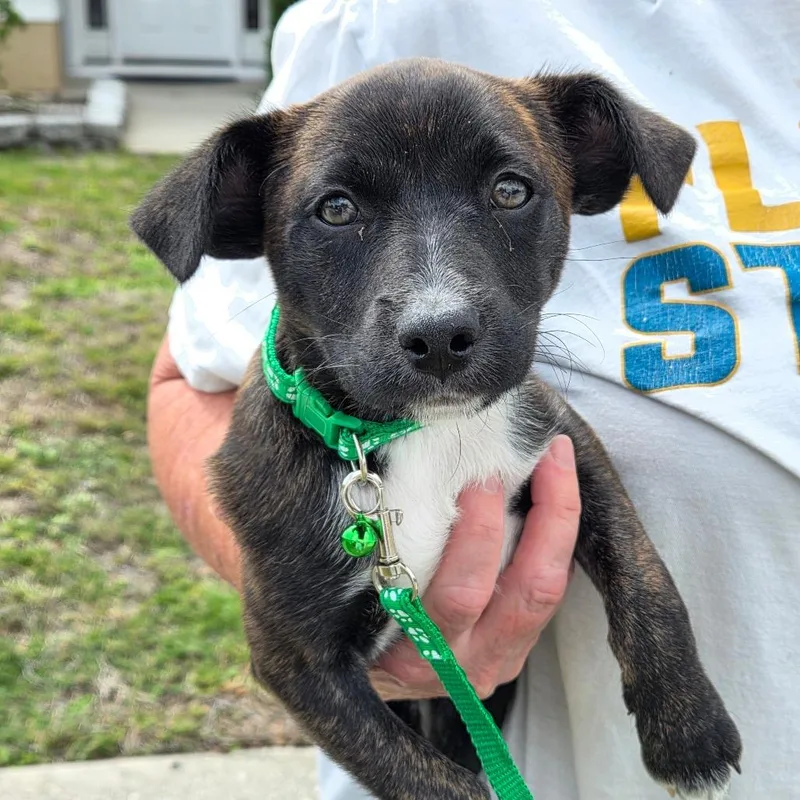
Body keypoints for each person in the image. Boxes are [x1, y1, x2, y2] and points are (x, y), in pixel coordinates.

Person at [146, 1, 800, 797]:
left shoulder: (518, 405)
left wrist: (661, 659)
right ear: (248, 220)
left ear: (581, 179)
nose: (436, 307)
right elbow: (297, 659)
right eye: (338, 210)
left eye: (509, 190)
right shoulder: (362, 19)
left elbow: (574, 462)